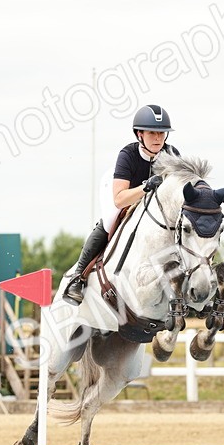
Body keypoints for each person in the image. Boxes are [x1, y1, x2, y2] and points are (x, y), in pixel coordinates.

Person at [62, 104, 180, 305]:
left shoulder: (172, 154)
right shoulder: (128, 155)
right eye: (152, 133)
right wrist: (145, 188)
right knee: (109, 221)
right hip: (124, 194)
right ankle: (77, 278)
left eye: (162, 133)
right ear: (139, 134)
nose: (158, 138)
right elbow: (119, 198)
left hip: (154, 204)